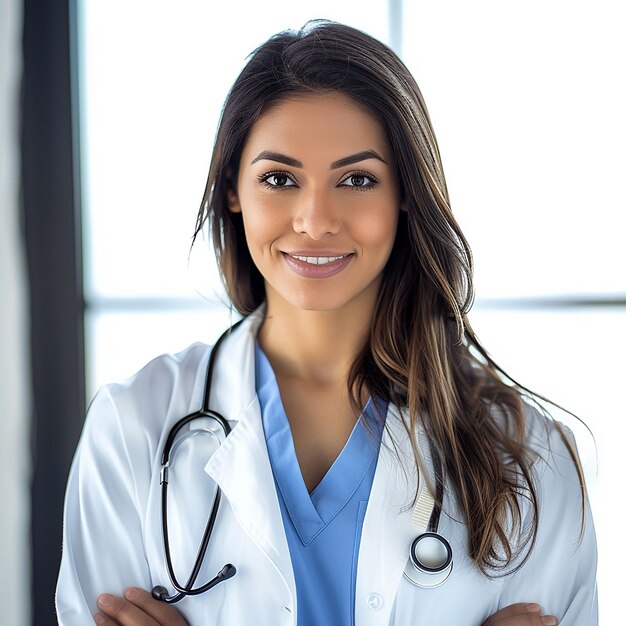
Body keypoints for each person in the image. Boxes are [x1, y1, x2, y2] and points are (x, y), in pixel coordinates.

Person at [55, 19, 597, 626]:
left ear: (406, 196)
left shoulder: (527, 457)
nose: (315, 220)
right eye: (279, 179)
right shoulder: (133, 429)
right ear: (233, 189)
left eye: (357, 179)